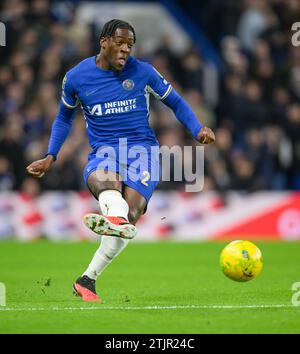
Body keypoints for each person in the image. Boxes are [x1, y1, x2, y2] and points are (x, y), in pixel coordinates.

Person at [26, 19, 215, 302]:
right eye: (120, 43)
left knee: (133, 214)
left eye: (130, 45)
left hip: (143, 152)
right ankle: (115, 214)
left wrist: (197, 128)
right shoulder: (77, 77)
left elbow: (175, 101)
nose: (126, 49)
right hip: (105, 151)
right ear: (104, 42)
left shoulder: (144, 72)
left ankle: (87, 279)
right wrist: (51, 154)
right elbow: (64, 117)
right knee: (107, 184)